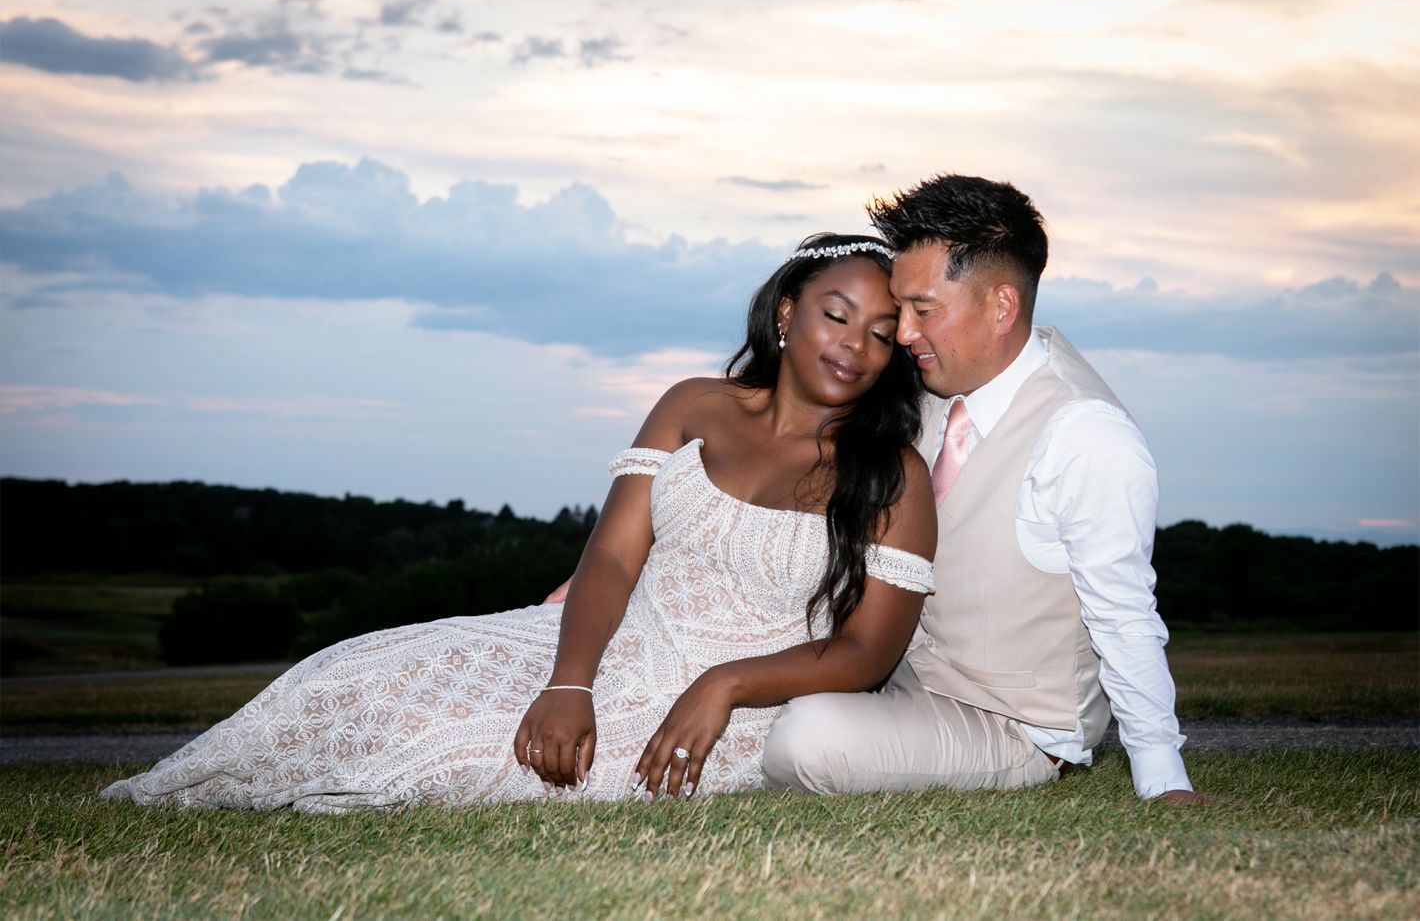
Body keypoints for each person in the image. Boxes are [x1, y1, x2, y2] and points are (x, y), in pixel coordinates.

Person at [101, 234, 938, 813]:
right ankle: (177, 788)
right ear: (787, 310)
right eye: (836, 314)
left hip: (729, 709)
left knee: (451, 758)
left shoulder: (893, 474)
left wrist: (722, 683)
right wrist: (569, 679)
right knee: (360, 673)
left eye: (878, 334)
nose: (855, 347)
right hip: (598, 645)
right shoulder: (693, 405)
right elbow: (610, 557)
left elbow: (866, 655)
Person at [762, 175, 1206, 804]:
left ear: (1001, 306)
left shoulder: (1086, 434)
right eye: (902, 310)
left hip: (1016, 724)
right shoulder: (927, 390)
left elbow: (1125, 614)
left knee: (803, 739)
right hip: (897, 690)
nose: (905, 334)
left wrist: (1162, 778)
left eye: (924, 309)